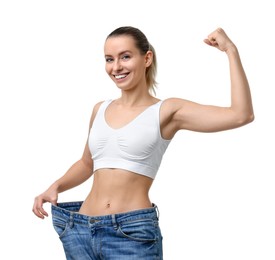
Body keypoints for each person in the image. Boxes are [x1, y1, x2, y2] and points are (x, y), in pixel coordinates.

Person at [32, 26, 254, 259]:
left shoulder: (167, 110)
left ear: (147, 58)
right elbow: (87, 164)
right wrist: (55, 186)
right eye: (109, 59)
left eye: (125, 57)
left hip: (131, 232)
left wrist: (231, 50)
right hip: (79, 229)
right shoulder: (100, 108)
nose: (116, 67)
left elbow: (241, 115)